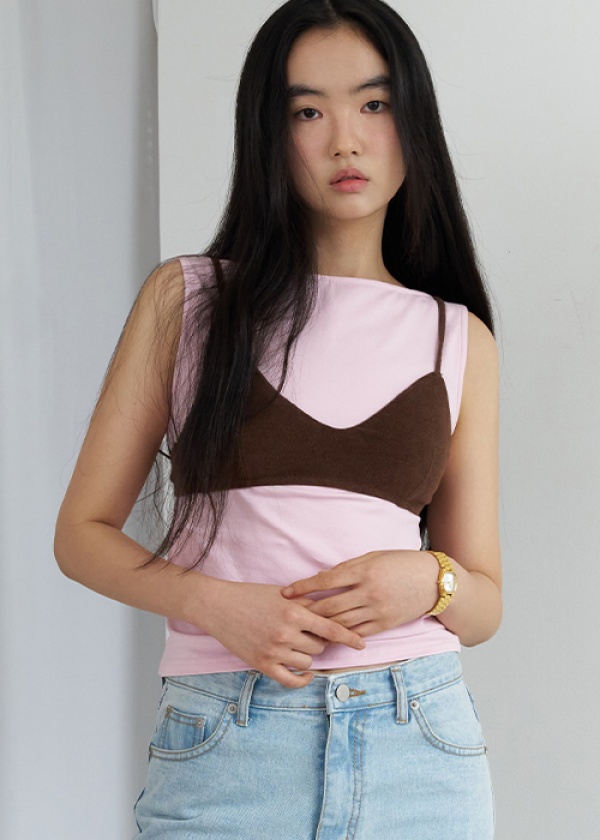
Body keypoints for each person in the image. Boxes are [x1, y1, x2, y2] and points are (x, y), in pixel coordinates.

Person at [54, 0, 501, 837]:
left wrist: (429, 580)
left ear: (414, 121)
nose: (345, 140)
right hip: (230, 740)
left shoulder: (457, 336)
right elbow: (80, 534)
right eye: (307, 112)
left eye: (374, 103)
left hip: (419, 742)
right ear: (268, 132)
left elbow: (483, 602)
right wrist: (218, 605)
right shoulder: (189, 301)